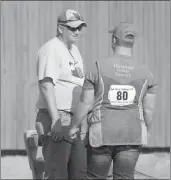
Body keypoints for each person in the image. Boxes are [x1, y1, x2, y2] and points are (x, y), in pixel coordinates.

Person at [69, 22, 157, 179]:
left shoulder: (97, 67)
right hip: (132, 134)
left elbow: (85, 103)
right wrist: (147, 131)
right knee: (125, 177)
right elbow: (149, 110)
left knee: (96, 177)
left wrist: (74, 126)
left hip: (102, 134)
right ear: (132, 42)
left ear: (114, 40)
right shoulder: (147, 72)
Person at [35, 9, 88, 179]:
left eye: (79, 28)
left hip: (75, 119)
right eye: (72, 28)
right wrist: (56, 120)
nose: (77, 31)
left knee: (79, 173)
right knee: (57, 173)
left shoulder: (75, 50)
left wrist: (83, 119)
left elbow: (80, 85)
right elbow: (46, 86)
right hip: (59, 117)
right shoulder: (51, 49)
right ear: (60, 28)